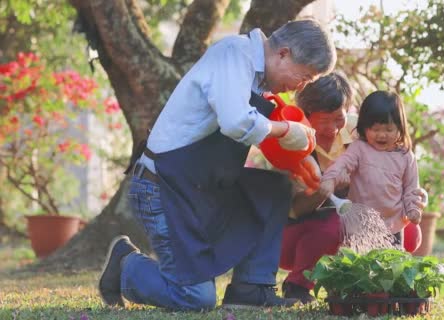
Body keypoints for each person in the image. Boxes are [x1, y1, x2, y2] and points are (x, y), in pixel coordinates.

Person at [97, 19, 336, 311]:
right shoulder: (234, 54)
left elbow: (256, 133)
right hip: (163, 187)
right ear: (284, 53)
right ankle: (126, 264)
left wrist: (299, 163)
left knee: (274, 188)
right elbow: (237, 121)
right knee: (196, 299)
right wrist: (286, 130)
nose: (300, 86)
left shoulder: (258, 79)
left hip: (202, 186)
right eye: (305, 77)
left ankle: (252, 288)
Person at [280, 77, 427, 303]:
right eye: (323, 120)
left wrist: (414, 197)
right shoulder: (295, 141)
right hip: (301, 230)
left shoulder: (363, 128)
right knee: (337, 226)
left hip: (360, 214)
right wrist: (329, 188)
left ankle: (372, 287)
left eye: (338, 118)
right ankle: (298, 283)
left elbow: (393, 171)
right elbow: (296, 209)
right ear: (307, 115)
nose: (333, 128)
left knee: (406, 231)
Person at [319, 90, 423, 246]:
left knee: (391, 266)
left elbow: (411, 187)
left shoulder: (406, 156)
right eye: (375, 129)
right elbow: (342, 163)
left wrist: (413, 208)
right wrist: (329, 179)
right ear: (364, 127)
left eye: (389, 130)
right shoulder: (359, 148)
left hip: (392, 226)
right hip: (359, 225)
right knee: (356, 265)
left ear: (400, 128)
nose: (382, 135)